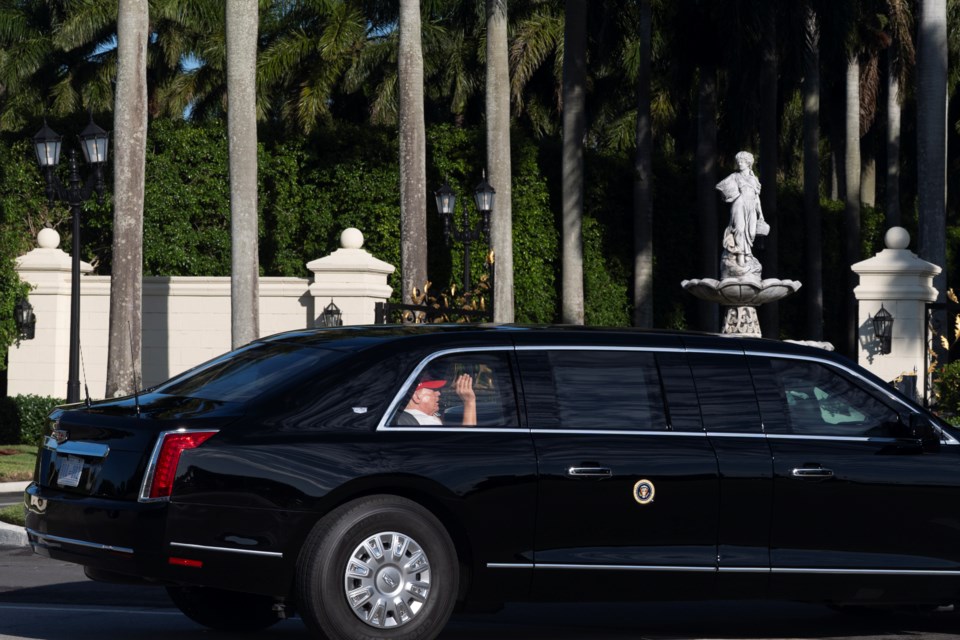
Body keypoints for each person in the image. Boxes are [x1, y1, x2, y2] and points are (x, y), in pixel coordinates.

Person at [716, 151, 768, 275]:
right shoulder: (734, 176)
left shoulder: (754, 179)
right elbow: (721, 187)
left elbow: (757, 199)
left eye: (742, 162)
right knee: (739, 229)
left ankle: (748, 254)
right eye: (738, 162)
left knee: (750, 233)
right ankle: (740, 256)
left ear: (748, 163)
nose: (740, 164)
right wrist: (731, 195)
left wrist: (760, 214)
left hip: (751, 206)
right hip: (739, 204)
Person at [398, 373, 476, 426]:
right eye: (433, 390)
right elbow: (463, 444)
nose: (438, 393)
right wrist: (469, 402)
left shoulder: (412, 416)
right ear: (416, 397)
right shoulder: (424, 421)